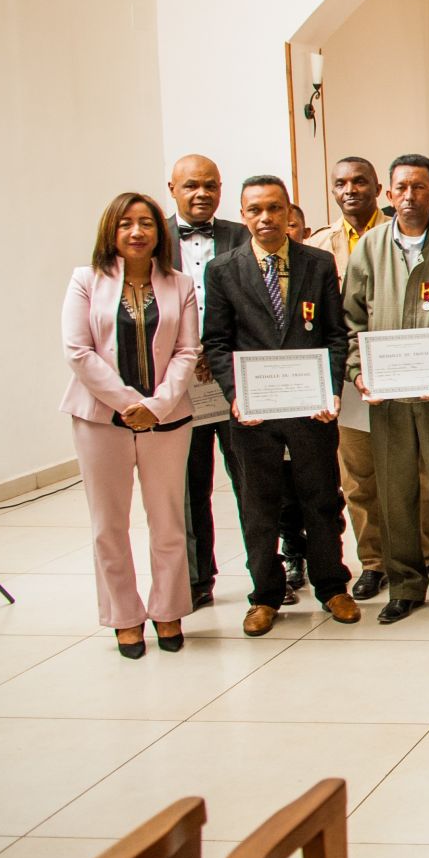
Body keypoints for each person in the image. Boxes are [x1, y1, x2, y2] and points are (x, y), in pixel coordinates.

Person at [204, 175, 359, 637]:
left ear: (290, 212)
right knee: (259, 506)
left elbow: (334, 334)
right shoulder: (224, 270)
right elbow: (217, 343)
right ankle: (265, 596)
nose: (266, 218)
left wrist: (331, 388)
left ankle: (333, 586)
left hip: (311, 409)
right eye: (255, 210)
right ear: (243, 214)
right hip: (253, 414)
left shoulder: (317, 263)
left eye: (275, 208)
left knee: (321, 499)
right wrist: (237, 396)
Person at [63, 193, 200, 658]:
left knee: (167, 522)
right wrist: (126, 403)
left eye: (146, 223)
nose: (137, 232)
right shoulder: (85, 281)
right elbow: (77, 351)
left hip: (168, 419)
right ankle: (124, 617)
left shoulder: (179, 284)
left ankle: (168, 610)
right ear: (111, 231)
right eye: (126, 224)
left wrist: (157, 405)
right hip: (100, 420)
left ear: (160, 232)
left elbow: (187, 351)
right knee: (109, 525)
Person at [343, 153, 429, 624]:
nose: (409, 196)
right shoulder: (370, 248)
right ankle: (404, 585)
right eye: (401, 187)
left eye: (419, 187)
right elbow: (352, 317)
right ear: (389, 194)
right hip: (387, 394)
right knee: (393, 490)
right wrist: (360, 370)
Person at [166, 154, 249, 610]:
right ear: (173, 188)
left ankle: (267, 574)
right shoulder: (153, 236)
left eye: (211, 186)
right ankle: (197, 578)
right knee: (188, 483)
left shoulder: (241, 235)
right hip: (177, 385)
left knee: (251, 480)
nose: (202, 194)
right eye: (192, 185)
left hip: (232, 378)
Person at [307, 155, 388, 598]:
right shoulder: (318, 245)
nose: (350, 189)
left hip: (401, 371)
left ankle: (421, 557)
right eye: (341, 183)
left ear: (378, 187)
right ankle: (374, 561)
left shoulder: (402, 234)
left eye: (360, 181)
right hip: (348, 376)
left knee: (416, 472)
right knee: (358, 476)